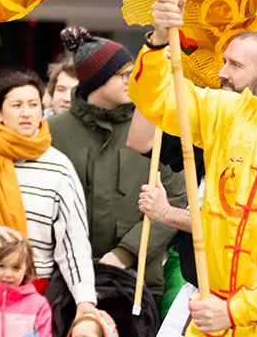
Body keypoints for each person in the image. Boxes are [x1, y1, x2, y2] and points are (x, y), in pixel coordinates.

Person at [143, 0, 257, 335]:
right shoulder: (228, 114)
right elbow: (159, 98)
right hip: (208, 319)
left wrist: (236, 310)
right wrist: (159, 39)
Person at [0, 70, 97, 335]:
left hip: (29, 294)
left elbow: (73, 243)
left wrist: (85, 300)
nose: (26, 113)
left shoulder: (59, 168)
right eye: (16, 105)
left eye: (33, 105)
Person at [48, 27, 184, 302]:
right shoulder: (52, 132)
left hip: (138, 285)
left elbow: (177, 199)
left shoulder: (153, 127)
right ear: (96, 79)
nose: (130, 80)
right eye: (123, 74)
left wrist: (125, 253)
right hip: (67, 282)